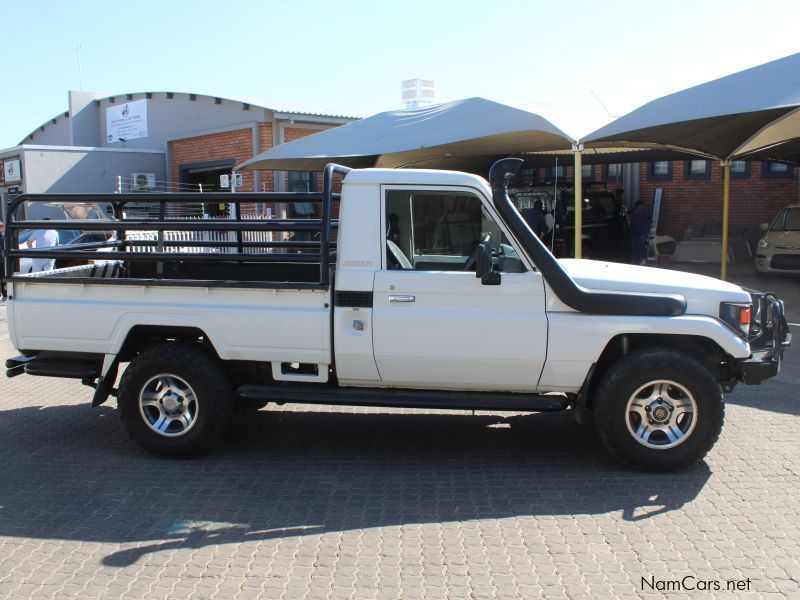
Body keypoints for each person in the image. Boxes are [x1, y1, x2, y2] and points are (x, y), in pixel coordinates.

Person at [629, 200, 652, 265]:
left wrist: (648, 230)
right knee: (634, 246)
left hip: (642, 232)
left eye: (642, 206)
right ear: (636, 207)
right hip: (633, 232)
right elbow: (629, 215)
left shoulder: (646, 212)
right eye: (639, 207)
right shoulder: (632, 212)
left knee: (640, 245)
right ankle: (634, 260)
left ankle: (642, 259)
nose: (641, 208)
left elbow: (650, 220)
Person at [0, 220, 6, 300]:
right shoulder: (1, 236)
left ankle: (4, 294)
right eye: (2, 226)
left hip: (1, 259)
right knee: (3, 277)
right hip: (1, 260)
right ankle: (4, 295)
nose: (3, 228)